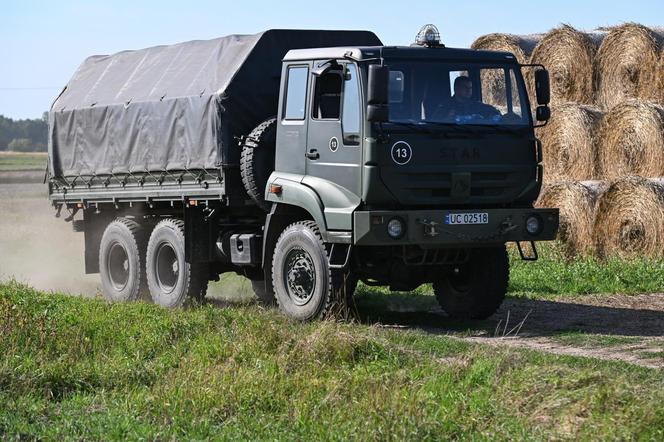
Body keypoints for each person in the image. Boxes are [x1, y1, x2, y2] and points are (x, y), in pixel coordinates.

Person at [431, 75, 499, 121]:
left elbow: (494, 113)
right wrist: (448, 119)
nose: (468, 90)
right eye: (465, 87)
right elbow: (434, 124)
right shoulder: (445, 106)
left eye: (470, 88)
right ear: (456, 88)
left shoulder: (476, 105)